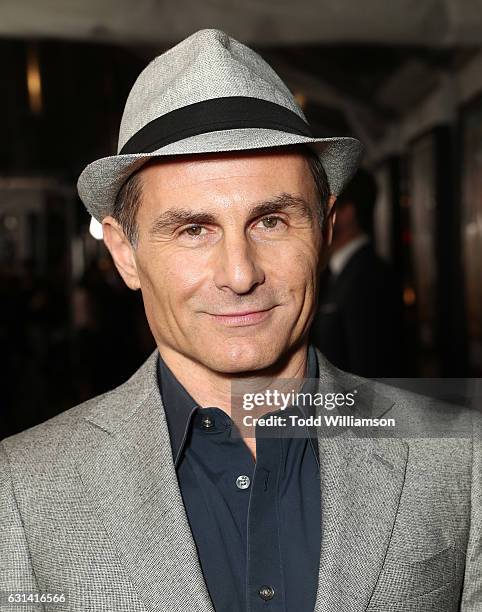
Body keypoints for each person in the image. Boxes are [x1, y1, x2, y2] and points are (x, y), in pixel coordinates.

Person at [1, 28, 480, 612]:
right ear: (126, 254)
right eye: (193, 229)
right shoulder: (19, 490)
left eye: (271, 221)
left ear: (326, 229)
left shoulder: (460, 453)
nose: (239, 273)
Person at [310, 168, 404, 377]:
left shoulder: (370, 280)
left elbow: (370, 371)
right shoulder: (338, 273)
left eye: (323, 208)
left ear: (346, 213)